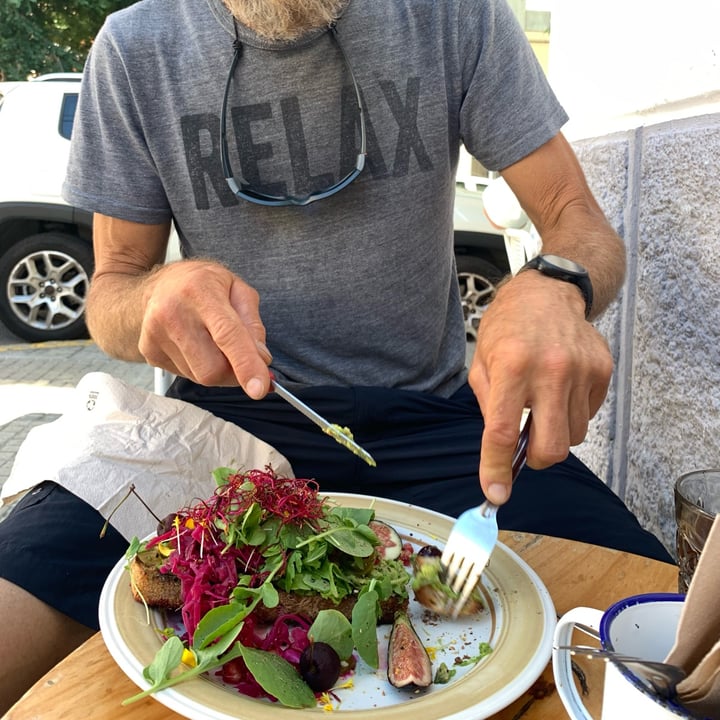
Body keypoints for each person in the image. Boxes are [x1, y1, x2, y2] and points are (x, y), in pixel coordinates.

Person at [0, 0, 673, 712]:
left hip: (442, 425)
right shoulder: (136, 45)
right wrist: (153, 296)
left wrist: (557, 284)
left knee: (668, 637)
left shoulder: (457, 17)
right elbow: (110, 291)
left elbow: (580, 219)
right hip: (221, 432)